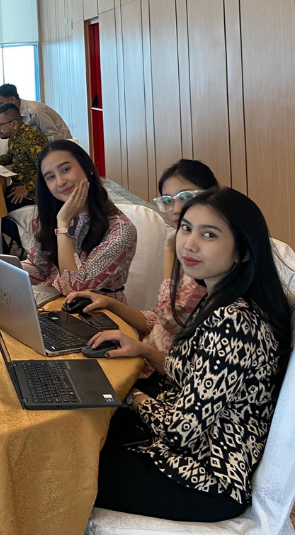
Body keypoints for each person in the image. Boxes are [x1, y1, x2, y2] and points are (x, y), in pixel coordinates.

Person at [88, 187, 291, 522]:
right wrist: (144, 350)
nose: (189, 244)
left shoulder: (234, 321)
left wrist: (130, 396)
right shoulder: (222, 297)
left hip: (205, 478)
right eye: (186, 228)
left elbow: (181, 430)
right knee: (85, 432)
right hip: (188, 453)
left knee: (67, 466)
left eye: (209, 234)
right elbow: (198, 377)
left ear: (243, 252)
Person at [66, 159, 219, 379]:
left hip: (163, 378)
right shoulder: (184, 250)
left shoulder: (209, 263)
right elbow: (159, 319)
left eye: (186, 196)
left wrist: (169, 250)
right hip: (145, 359)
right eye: (168, 200)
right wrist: (110, 303)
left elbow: (170, 320)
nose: (176, 209)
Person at [21, 140, 137, 302]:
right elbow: (39, 269)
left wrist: (63, 225)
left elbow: (74, 288)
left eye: (65, 169)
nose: (60, 182)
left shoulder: (121, 229)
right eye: (51, 177)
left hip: (97, 311)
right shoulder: (53, 217)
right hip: (55, 302)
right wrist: (3, 269)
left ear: (87, 168)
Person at [0, 103, 49, 251]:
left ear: (14, 124)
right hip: (18, 187)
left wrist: (27, 187)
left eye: (0, 125)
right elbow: (10, 156)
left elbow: (47, 169)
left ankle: (23, 245)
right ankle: (2, 247)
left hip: (33, 193)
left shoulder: (33, 140)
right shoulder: (15, 137)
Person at [0, 84, 71, 141]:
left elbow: (53, 136)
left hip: (62, 146)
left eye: (1, 104)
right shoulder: (13, 113)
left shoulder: (35, 110)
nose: (0, 107)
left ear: (12, 99)